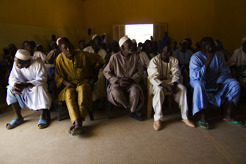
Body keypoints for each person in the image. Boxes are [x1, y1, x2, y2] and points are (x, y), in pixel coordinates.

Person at [189, 37, 242, 129]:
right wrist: (208, 62)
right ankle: (203, 117)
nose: (213, 48)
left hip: (215, 81)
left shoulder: (218, 56)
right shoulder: (195, 58)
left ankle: (228, 115)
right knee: (199, 85)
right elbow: (195, 76)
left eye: (213, 45)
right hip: (200, 81)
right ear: (204, 47)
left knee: (234, 84)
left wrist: (219, 82)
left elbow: (224, 72)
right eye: (211, 46)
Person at [55, 37, 103, 135]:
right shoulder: (60, 59)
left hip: (83, 81)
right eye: (65, 48)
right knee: (69, 94)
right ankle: (77, 121)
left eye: (70, 47)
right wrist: (67, 83)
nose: (69, 50)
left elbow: (99, 60)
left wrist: (95, 74)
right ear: (61, 50)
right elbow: (58, 76)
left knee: (83, 89)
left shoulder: (82, 55)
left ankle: (78, 122)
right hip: (70, 84)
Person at [147, 43, 195, 131]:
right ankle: (157, 118)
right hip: (158, 83)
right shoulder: (154, 60)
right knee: (158, 90)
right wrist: (166, 86)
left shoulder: (174, 60)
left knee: (183, 89)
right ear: (161, 51)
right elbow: (153, 77)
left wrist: (174, 85)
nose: (167, 53)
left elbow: (176, 74)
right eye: (165, 51)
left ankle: (184, 117)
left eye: (169, 52)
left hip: (171, 83)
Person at [6, 49, 51, 129]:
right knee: (10, 89)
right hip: (23, 86)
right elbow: (12, 78)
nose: (17, 65)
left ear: (26, 62)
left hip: (35, 84)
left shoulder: (37, 61)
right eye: (16, 62)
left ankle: (43, 116)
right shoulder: (16, 64)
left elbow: (42, 78)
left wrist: (27, 84)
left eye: (19, 63)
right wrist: (16, 85)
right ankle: (18, 117)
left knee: (40, 88)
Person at [103, 36, 144, 121]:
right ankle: (130, 108)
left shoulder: (136, 56)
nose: (132, 46)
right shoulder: (115, 57)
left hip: (131, 82)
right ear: (122, 47)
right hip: (118, 83)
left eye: (132, 45)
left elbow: (140, 71)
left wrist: (132, 79)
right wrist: (117, 80)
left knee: (135, 91)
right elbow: (106, 72)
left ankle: (132, 111)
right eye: (129, 45)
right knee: (116, 93)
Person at [83, 34, 107, 103]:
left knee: (101, 77)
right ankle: (89, 100)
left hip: (99, 71)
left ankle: (99, 99)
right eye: (98, 42)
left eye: (101, 42)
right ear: (93, 42)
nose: (100, 43)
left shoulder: (103, 52)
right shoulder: (86, 50)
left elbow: (104, 65)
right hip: (88, 70)